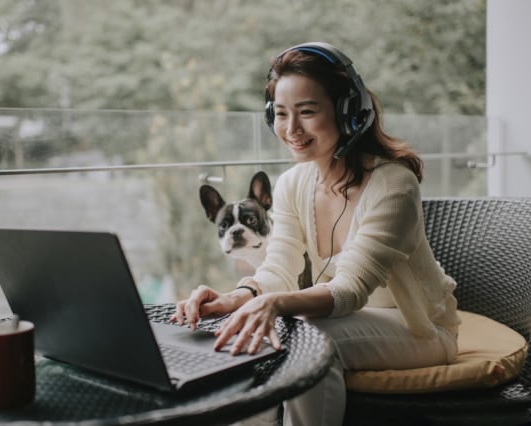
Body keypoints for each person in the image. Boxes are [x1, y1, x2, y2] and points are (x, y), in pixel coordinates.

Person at [171, 42, 461, 426]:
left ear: (348, 112)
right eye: (280, 114)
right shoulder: (292, 183)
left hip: (420, 328)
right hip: (350, 322)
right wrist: (236, 298)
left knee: (310, 338)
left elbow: (350, 290)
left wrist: (275, 305)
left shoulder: (394, 185)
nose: (291, 130)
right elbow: (280, 268)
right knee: (265, 329)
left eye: (307, 112)